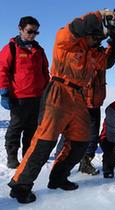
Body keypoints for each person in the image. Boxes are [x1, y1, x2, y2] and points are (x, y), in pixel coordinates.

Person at [8, 9, 115, 204]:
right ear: (91, 32)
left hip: (78, 97)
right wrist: (101, 15)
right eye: (99, 35)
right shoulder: (67, 41)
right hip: (58, 92)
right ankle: (20, 185)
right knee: (44, 141)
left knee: (81, 141)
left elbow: (108, 61)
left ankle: (58, 177)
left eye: (103, 37)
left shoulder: (93, 52)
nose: (100, 40)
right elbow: (76, 27)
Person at [0, 16, 50, 169]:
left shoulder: (39, 50)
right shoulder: (11, 48)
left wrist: (47, 91)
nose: (33, 35)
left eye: (36, 32)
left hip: (37, 98)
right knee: (16, 127)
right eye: (29, 31)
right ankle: (12, 156)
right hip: (19, 97)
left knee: (32, 130)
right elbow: (2, 70)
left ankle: (28, 156)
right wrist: (3, 91)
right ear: (20, 29)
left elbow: (45, 72)